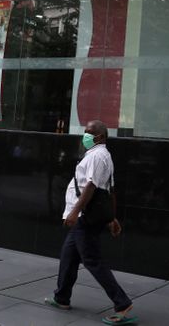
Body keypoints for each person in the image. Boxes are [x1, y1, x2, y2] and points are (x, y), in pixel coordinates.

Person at [45, 120, 136, 325]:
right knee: (69, 256)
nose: (85, 135)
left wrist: (75, 211)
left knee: (93, 260)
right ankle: (62, 298)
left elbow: (92, 186)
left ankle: (122, 303)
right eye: (85, 132)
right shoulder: (102, 156)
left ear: (101, 137)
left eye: (90, 133)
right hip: (85, 216)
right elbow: (109, 189)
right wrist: (112, 217)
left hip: (84, 217)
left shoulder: (97, 155)